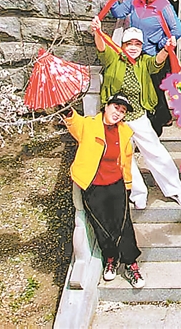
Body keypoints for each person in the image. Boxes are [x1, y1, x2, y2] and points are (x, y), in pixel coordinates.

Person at [91, 21, 181, 209]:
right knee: (125, 157)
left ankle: (175, 189)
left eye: (137, 44)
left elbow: (156, 63)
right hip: (118, 119)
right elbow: (102, 49)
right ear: (123, 45)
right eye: (129, 43)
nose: (133, 47)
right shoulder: (114, 58)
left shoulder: (143, 62)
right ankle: (138, 193)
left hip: (138, 115)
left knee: (157, 153)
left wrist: (166, 48)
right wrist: (97, 31)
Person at [62, 93, 144, 288]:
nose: (118, 113)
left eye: (122, 111)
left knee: (123, 225)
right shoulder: (88, 125)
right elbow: (73, 121)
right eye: (116, 107)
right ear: (106, 106)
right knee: (101, 225)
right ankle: (110, 258)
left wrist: (128, 185)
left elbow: (126, 161)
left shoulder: (124, 132)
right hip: (93, 186)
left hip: (116, 184)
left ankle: (131, 264)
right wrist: (65, 108)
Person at [104, 0, 181, 136]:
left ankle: (157, 125)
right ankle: (163, 117)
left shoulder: (164, 6)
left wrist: (161, 42)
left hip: (154, 55)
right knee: (146, 88)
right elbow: (119, 12)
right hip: (134, 52)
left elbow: (178, 30)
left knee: (153, 89)